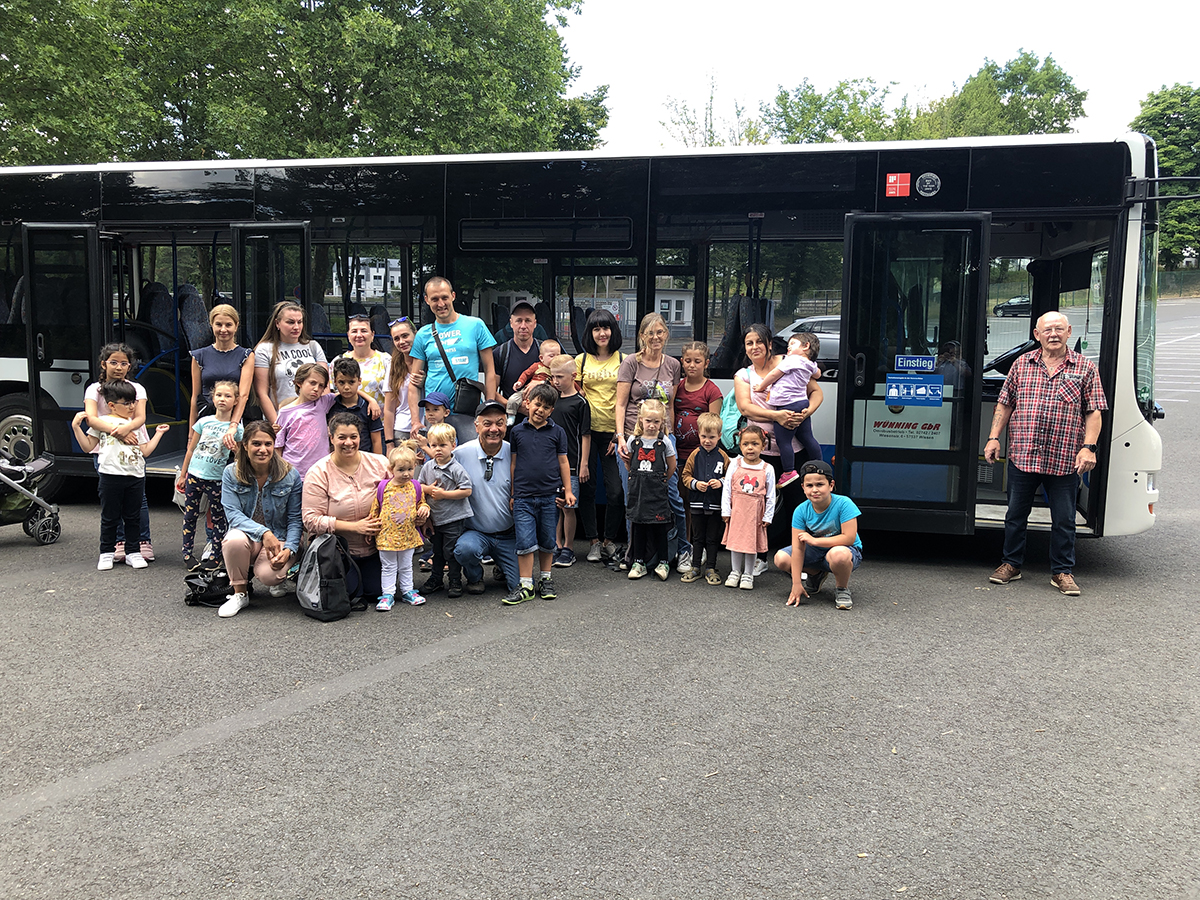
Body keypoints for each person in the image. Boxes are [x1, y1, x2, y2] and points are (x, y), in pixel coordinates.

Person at [985, 310, 1107, 596]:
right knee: (1015, 514)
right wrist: (993, 438)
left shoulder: (1085, 368)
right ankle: (1011, 564)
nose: (1053, 334)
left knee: (1064, 519)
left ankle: (1062, 571)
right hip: (1023, 455)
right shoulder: (1020, 365)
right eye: (1047, 330)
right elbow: (1004, 405)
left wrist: (1089, 447)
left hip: (1065, 458)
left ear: (1069, 332)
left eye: (1059, 329)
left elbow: (1094, 412)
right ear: (1036, 335)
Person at [734, 323, 823, 561]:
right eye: (749, 343)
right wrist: (777, 416)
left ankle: (800, 559)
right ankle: (760, 558)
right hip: (760, 452)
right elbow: (745, 407)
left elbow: (816, 392)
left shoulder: (791, 361)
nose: (754, 347)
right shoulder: (744, 375)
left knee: (798, 505)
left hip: (793, 452)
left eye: (759, 342)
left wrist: (805, 412)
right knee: (759, 506)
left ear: (770, 344)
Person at [615, 312, 689, 571]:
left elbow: (669, 406)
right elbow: (621, 403)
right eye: (650, 333)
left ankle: (682, 550)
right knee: (633, 500)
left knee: (672, 497)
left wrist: (669, 436)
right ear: (642, 336)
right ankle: (636, 556)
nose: (655, 337)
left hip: (663, 440)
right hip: (633, 440)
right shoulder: (630, 363)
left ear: (666, 334)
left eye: (660, 332)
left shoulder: (673, 365)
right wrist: (621, 438)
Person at [70, 383, 170, 571]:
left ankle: (133, 552)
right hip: (110, 475)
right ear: (111, 405)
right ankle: (106, 552)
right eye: (126, 403)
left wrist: (158, 434)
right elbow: (87, 446)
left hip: (135, 476)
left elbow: (145, 451)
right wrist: (76, 427)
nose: (132, 407)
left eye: (133, 402)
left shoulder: (136, 425)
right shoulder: (103, 423)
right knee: (110, 516)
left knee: (133, 517)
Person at [218, 421, 304, 618]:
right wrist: (264, 532)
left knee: (269, 576)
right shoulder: (231, 473)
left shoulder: (290, 475)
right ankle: (240, 593)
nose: (263, 449)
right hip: (251, 536)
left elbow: (295, 519)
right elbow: (233, 514)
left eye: (268, 444)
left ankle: (279, 576)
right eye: (256, 443)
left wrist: (289, 549)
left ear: (274, 445)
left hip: (280, 535)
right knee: (233, 540)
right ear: (245, 445)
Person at [302, 411, 391, 599]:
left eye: (353, 437)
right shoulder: (318, 473)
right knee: (349, 594)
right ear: (331, 437)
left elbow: (400, 496)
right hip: (337, 550)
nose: (348, 443)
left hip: (376, 547)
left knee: (376, 592)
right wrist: (355, 527)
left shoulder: (380, 463)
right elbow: (310, 520)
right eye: (342, 437)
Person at [83, 342, 153, 562]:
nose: (119, 367)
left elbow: (140, 417)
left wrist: (127, 429)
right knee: (112, 499)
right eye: (113, 362)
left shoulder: (137, 388)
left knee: (137, 499)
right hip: (106, 445)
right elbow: (92, 418)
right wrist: (119, 432)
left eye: (124, 363)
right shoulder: (94, 389)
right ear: (104, 364)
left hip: (133, 442)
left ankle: (142, 542)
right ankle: (118, 543)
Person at [407, 276, 497, 445]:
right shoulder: (423, 334)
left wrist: (488, 408)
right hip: (436, 414)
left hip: (468, 412)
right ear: (426, 300)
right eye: (434, 299)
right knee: (436, 464)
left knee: (470, 462)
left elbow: (490, 372)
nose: (440, 304)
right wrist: (415, 421)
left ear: (453, 296)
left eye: (444, 297)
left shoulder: (475, 325)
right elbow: (413, 383)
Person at [507, 383, 574, 604]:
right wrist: (513, 494)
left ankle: (546, 578)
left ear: (552, 410)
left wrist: (569, 491)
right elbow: (513, 464)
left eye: (546, 407)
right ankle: (526, 584)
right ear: (528, 403)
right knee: (524, 540)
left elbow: (563, 461)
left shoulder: (558, 432)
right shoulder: (516, 431)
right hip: (524, 497)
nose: (540, 410)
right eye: (537, 404)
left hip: (549, 496)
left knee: (547, 539)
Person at [452, 400, 523, 600]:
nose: (494, 429)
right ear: (476, 426)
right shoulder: (460, 455)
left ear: (506, 425)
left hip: (508, 534)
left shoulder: (515, 453)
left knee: (520, 584)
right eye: (487, 424)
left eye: (499, 423)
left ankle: (503, 565)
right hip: (475, 532)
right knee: (466, 550)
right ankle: (475, 577)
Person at [776, 460, 863, 611]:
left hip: (845, 550)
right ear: (803, 488)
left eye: (820, 484)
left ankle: (842, 588)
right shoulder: (801, 510)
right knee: (781, 558)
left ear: (831, 485)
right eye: (809, 486)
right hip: (816, 551)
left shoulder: (844, 504)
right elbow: (797, 548)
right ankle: (816, 574)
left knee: (838, 555)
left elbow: (849, 538)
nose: (814, 489)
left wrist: (815, 541)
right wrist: (796, 584)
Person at [575, 308, 626, 563]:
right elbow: (570, 388)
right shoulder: (581, 361)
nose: (601, 333)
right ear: (590, 333)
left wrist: (620, 435)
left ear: (613, 330)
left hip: (613, 435)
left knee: (616, 490)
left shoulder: (624, 361)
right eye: (596, 328)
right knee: (587, 487)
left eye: (605, 328)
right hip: (586, 433)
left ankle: (609, 540)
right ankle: (593, 541)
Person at [176, 380, 244, 571]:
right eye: (219, 395)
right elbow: (191, 449)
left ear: (236, 401)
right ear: (213, 398)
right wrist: (183, 474)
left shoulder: (237, 428)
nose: (223, 399)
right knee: (190, 515)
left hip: (217, 479)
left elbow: (241, 456)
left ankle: (216, 554)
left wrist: (235, 448)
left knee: (217, 517)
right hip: (194, 476)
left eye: (228, 396)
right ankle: (187, 553)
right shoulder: (203, 422)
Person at [755, 332, 823, 487]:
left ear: (806, 346)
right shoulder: (811, 364)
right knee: (807, 437)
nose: (788, 348)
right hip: (802, 403)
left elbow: (774, 374)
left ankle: (788, 472)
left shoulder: (791, 360)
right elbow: (818, 375)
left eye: (792, 344)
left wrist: (761, 387)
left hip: (787, 405)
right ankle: (819, 465)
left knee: (783, 441)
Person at [371, 444, 431, 609]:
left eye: (410, 469)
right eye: (401, 470)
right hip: (386, 535)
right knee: (389, 566)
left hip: (407, 534)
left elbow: (421, 502)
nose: (406, 474)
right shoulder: (384, 487)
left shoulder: (415, 486)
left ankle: (407, 591)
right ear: (391, 469)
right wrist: (372, 527)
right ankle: (388, 594)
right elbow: (375, 509)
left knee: (406, 565)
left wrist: (424, 508)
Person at [419, 423, 474, 598]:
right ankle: (436, 579)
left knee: (451, 552)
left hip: (453, 518)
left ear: (453, 446)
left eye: (443, 445)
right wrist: (428, 490)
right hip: (435, 519)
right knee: (437, 551)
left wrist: (444, 494)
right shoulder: (428, 467)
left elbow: (467, 490)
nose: (438, 450)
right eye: (433, 445)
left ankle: (455, 580)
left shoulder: (456, 468)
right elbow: (419, 486)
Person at [188, 303, 254, 449]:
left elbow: (243, 396)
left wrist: (233, 425)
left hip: (235, 417)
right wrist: (191, 433)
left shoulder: (246, 355)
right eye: (219, 324)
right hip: (206, 419)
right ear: (211, 325)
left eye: (228, 325)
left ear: (236, 326)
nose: (223, 330)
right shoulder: (199, 356)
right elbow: (195, 396)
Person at [253, 300, 328, 427]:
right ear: (277, 323)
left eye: (300, 322)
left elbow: (325, 386)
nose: (296, 327)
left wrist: (319, 416)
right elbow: (262, 393)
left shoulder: (313, 346)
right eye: (290, 322)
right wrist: (278, 424)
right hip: (281, 419)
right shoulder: (264, 349)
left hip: (311, 420)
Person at [624, 398, 676, 581]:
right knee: (638, 527)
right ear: (640, 420)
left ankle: (663, 562)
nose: (652, 425)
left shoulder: (665, 442)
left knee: (659, 527)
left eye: (656, 421)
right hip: (638, 492)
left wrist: (661, 481)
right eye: (648, 421)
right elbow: (629, 463)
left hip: (657, 492)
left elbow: (671, 466)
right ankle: (639, 562)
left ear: (662, 422)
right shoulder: (633, 441)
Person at [721, 424, 776, 590]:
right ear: (740, 445)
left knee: (751, 544)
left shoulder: (768, 468)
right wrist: (726, 510)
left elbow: (771, 495)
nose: (750, 448)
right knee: (736, 542)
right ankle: (735, 571)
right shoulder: (734, 464)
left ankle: (748, 574)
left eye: (755, 444)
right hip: (737, 510)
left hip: (755, 513)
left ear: (763, 445)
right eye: (745, 444)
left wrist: (768, 516)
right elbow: (727, 489)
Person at [548, 353, 591, 567]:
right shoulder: (551, 400)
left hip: (572, 464)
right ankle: (555, 545)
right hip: (550, 464)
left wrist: (583, 464)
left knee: (568, 506)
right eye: (553, 377)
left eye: (560, 377)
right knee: (554, 505)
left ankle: (569, 547)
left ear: (573, 376)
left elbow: (585, 435)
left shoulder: (581, 403)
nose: (556, 381)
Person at [680, 412, 730, 586]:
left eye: (711, 437)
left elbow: (730, 477)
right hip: (697, 503)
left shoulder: (723, 456)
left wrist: (721, 482)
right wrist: (695, 484)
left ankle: (711, 568)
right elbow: (685, 475)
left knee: (712, 537)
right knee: (697, 536)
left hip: (715, 504)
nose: (707, 440)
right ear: (698, 435)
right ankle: (695, 567)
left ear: (719, 436)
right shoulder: (695, 455)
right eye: (703, 436)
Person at [275, 363, 338, 479]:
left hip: (320, 471)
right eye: (312, 383)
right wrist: (280, 473)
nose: (316, 389)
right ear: (299, 382)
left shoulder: (323, 403)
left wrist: (371, 401)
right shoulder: (285, 412)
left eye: (321, 386)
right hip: (292, 472)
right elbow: (278, 446)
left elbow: (347, 393)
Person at [331, 312, 391, 408]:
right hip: (346, 420)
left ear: (372, 335)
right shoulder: (338, 361)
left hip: (379, 421)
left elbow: (393, 397)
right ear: (348, 336)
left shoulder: (385, 360)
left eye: (364, 331)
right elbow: (331, 396)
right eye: (354, 331)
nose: (359, 335)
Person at [329, 357, 385, 455]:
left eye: (351, 382)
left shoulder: (369, 408)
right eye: (341, 382)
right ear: (335, 382)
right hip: (338, 461)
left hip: (364, 461)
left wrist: (377, 466)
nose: (346, 387)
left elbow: (376, 440)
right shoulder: (329, 405)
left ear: (359, 381)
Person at [492, 300, 543, 401]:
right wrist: (514, 407)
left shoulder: (546, 352)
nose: (523, 326)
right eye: (519, 320)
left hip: (542, 415)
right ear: (511, 323)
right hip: (512, 415)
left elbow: (560, 383)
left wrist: (542, 382)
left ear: (535, 323)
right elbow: (491, 391)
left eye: (528, 321)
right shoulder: (500, 353)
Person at [505, 338, 563, 421]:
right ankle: (511, 415)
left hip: (549, 396)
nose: (555, 359)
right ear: (541, 358)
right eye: (551, 356)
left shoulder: (560, 370)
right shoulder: (537, 366)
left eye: (558, 355)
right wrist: (520, 382)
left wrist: (579, 390)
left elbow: (569, 381)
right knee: (513, 399)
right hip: (530, 391)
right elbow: (526, 374)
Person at [383, 316, 419, 446]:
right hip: (402, 431)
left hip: (428, 427)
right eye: (396, 339)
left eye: (405, 336)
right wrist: (389, 443)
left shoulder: (428, 361)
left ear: (415, 334)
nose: (401, 341)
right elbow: (389, 409)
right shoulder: (393, 366)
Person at [412, 390, 452, 461]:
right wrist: (420, 458)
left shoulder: (448, 433)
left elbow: (444, 459)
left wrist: (424, 447)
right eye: (427, 409)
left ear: (446, 412)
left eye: (435, 409)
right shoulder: (423, 432)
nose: (430, 413)